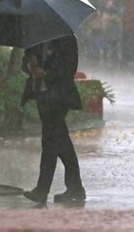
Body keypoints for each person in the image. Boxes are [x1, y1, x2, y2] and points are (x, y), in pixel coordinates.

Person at [21, 35, 85, 204]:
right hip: (41, 96)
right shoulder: (34, 39)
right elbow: (25, 65)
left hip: (59, 97)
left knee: (50, 142)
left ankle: (42, 190)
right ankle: (76, 189)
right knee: (60, 143)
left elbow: (69, 67)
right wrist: (30, 66)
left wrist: (46, 73)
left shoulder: (66, 38)